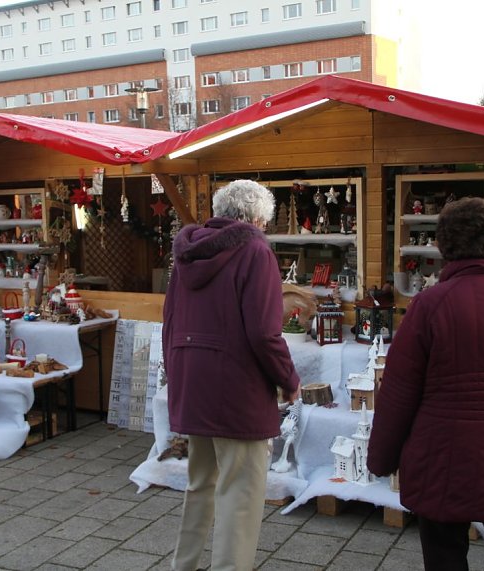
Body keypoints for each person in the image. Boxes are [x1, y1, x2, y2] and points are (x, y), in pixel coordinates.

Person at [367, 197, 484, 571]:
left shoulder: (428, 306)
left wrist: (382, 459)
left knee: (444, 557)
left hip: (443, 458)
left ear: (444, 245)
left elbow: (398, 394)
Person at [164, 179, 300, 571]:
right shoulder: (256, 250)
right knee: (240, 494)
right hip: (236, 388)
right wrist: (289, 380)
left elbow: (169, 321)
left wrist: (178, 376)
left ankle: (184, 565)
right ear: (258, 218)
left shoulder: (185, 254)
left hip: (194, 380)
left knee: (200, 483)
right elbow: (263, 332)